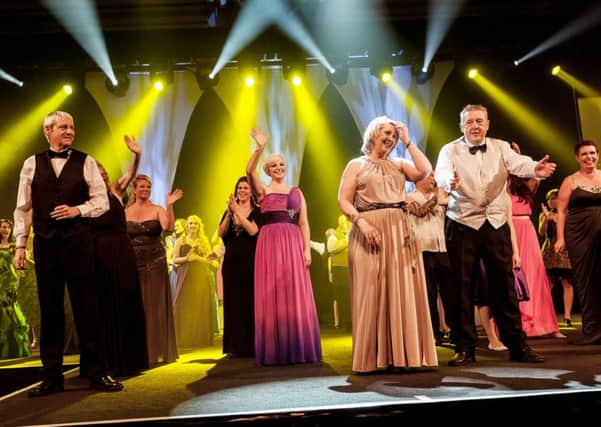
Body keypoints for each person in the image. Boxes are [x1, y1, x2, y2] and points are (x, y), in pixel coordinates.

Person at [435, 104, 555, 365]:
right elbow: (441, 172)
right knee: (462, 288)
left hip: (495, 222)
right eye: (470, 122)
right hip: (462, 223)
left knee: (505, 287)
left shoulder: (501, 147)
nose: (475, 126)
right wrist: (448, 182)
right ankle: (465, 348)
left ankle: (517, 346)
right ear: (461, 126)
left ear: (487, 124)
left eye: (479, 121)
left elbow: (518, 163)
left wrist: (535, 168)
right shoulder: (449, 150)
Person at [13, 110, 122, 396]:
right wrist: (21, 244)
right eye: (63, 127)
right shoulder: (31, 164)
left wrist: (78, 210)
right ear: (47, 131)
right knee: (50, 310)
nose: (70, 132)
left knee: (87, 307)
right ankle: (51, 377)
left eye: (72, 127)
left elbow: (102, 201)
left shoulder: (85, 161)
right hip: (46, 244)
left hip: (78, 242)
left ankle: (98, 373)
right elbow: (23, 208)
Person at [338, 116, 437, 373]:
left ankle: (402, 355)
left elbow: (425, 171)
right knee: (372, 291)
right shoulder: (356, 165)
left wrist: (408, 141)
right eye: (387, 133)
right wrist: (361, 223)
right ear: (372, 134)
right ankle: (372, 358)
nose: (391, 138)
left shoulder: (400, 164)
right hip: (369, 229)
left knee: (401, 290)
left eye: (394, 135)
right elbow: (344, 201)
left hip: (399, 229)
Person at [246, 128, 322, 365]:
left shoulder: (296, 193)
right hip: (269, 243)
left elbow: (303, 222)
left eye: (281, 164)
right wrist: (259, 149)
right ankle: (275, 348)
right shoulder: (263, 191)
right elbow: (248, 171)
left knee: (294, 291)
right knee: (272, 292)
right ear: (268, 170)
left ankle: (297, 346)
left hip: (292, 241)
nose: (279, 168)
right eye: (274, 166)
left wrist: (307, 249)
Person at [93, 135, 148, 376]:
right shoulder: (85, 201)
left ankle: (130, 358)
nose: (103, 174)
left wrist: (137, 154)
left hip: (122, 249)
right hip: (100, 252)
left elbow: (131, 173)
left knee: (127, 298)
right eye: (98, 172)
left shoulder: (115, 191)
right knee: (106, 302)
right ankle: (109, 360)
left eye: (103, 171)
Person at [126, 174, 182, 365]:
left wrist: (170, 205)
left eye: (148, 187)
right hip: (133, 262)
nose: (145, 190)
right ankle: (137, 349)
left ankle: (156, 350)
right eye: (142, 186)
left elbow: (169, 226)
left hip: (155, 261)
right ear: (134, 189)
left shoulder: (157, 209)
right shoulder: (125, 211)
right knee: (137, 305)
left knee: (155, 306)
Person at [554, 139, 601, 345]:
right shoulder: (571, 181)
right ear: (577, 158)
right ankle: (593, 330)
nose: (589, 157)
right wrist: (560, 237)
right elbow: (561, 211)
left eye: (592, 153)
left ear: (597, 155)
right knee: (585, 279)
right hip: (579, 235)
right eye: (584, 154)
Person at [508, 175, 564, 338]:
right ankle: (517, 324)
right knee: (513, 276)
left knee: (536, 276)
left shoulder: (527, 188)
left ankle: (546, 324)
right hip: (510, 230)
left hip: (527, 231)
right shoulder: (502, 186)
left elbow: (536, 177)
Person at [406, 172, 453, 347]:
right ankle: (433, 333)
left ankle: (453, 330)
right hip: (423, 250)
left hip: (442, 249)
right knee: (429, 294)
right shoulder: (409, 197)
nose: (434, 179)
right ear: (418, 179)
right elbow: (419, 212)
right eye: (430, 176)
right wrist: (438, 199)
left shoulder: (440, 197)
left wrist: (445, 197)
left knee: (450, 293)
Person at [218, 176, 261, 357]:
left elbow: (253, 230)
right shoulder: (229, 211)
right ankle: (234, 346)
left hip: (250, 261)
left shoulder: (257, 210)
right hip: (231, 262)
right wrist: (229, 214)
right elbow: (221, 232)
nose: (242, 191)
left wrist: (238, 212)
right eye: (239, 188)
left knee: (249, 301)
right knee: (232, 303)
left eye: (245, 188)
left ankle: (250, 345)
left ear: (251, 192)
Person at [172, 214, 219, 348]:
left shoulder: (204, 241)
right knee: (182, 305)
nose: (192, 226)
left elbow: (213, 261)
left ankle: (200, 339)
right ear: (186, 226)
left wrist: (198, 258)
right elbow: (175, 259)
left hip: (201, 277)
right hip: (185, 276)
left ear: (199, 226)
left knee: (200, 306)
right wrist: (187, 259)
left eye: (195, 223)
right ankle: (184, 339)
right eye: (190, 223)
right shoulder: (180, 241)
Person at [539, 189, 573, 326]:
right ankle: (544, 313)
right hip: (549, 250)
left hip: (564, 251)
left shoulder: (567, 213)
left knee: (567, 282)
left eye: (555, 198)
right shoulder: (544, 215)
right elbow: (541, 232)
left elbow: (566, 227)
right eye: (550, 199)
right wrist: (546, 219)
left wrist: (554, 217)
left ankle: (567, 316)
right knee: (548, 283)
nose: (552, 201)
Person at [0, 218, 31, 359]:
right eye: (2, 227)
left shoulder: (15, 247)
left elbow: (21, 265)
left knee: (11, 311)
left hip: (11, 283)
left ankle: (14, 350)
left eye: (7, 227)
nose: (5, 229)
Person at [325, 215, 352, 331]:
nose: (344, 224)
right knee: (342, 298)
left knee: (351, 297)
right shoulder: (333, 235)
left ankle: (352, 322)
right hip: (339, 270)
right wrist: (347, 240)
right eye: (342, 222)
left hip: (351, 269)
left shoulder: (352, 234)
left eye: (346, 221)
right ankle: (345, 324)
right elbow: (331, 247)